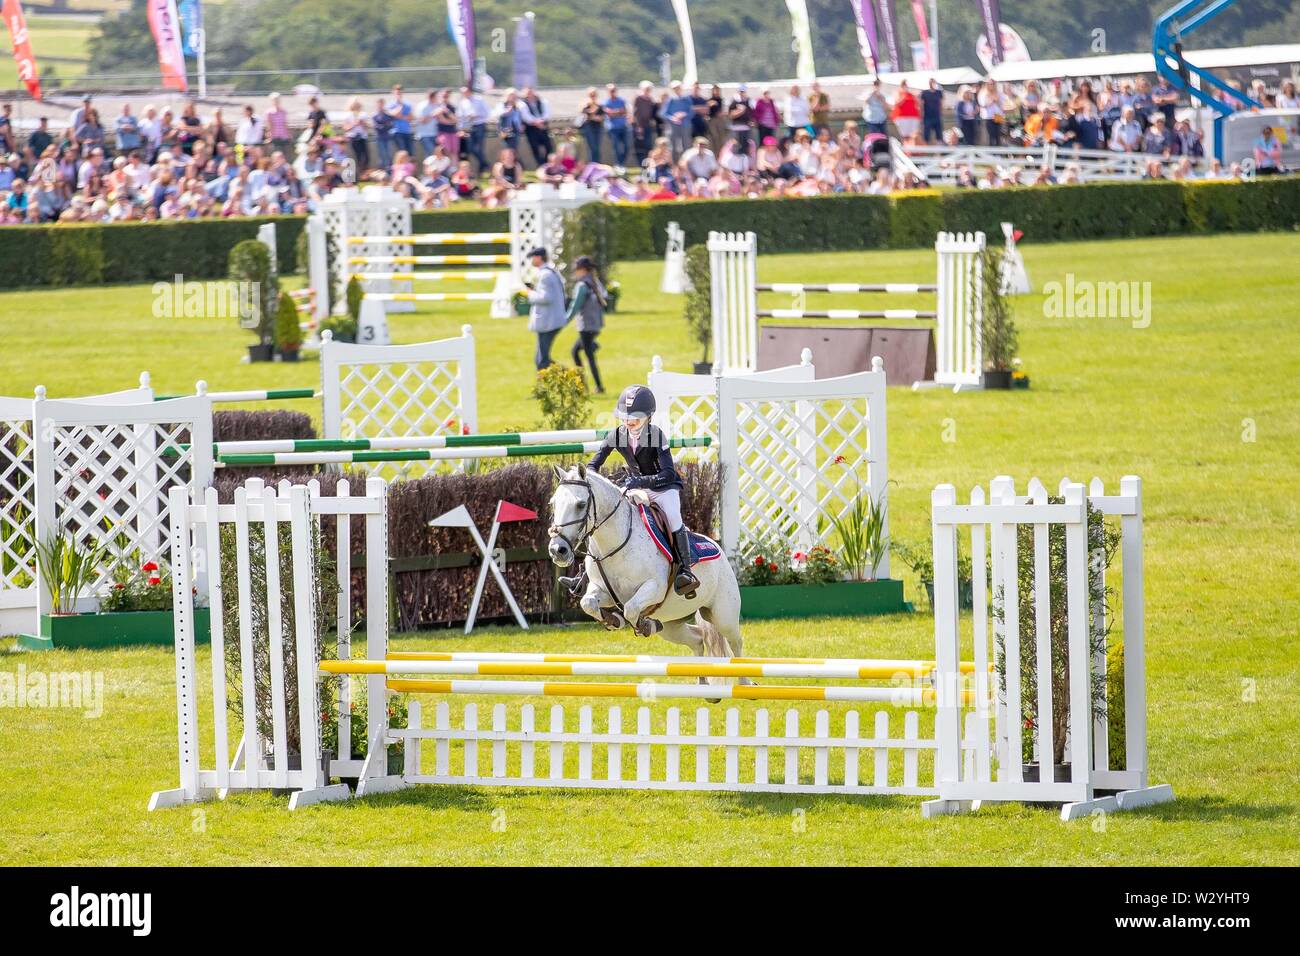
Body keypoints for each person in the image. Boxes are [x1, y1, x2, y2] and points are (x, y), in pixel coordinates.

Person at [585, 386, 699, 597]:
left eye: (635, 417)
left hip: (663, 488)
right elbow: (593, 465)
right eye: (625, 417)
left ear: (648, 416)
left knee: (673, 517)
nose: (629, 421)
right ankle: (586, 575)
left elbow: (667, 473)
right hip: (635, 487)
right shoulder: (616, 435)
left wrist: (639, 480)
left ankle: (686, 570)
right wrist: (593, 481)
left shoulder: (656, 435)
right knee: (604, 516)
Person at [566, 256, 606, 394]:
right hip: (596, 324)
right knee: (580, 351)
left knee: (581, 353)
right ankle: (591, 386)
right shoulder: (594, 281)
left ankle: (585, 386)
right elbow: (604, 296)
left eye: (576, 269)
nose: (575, 272)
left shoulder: (582, 285)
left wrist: (565, 319)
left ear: (582, 269)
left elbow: (575, 305)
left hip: (586, 326)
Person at [525, 247, 567, 369]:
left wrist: (529, 293)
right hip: (550, 321)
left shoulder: (545, 275)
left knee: (541, 361)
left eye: (533, 257)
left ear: (538, 258)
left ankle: (570, 376)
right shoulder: (550, 272)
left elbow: (546, 298)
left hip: (548, 322)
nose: (531, 260)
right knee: (541, 359)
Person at [921, 79, 944, 144]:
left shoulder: (938, 92)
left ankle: (938, 152)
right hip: (927, 116)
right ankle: (925, 150)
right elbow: (921, 104)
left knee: (939, 134)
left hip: (937, 116)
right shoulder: (924, 93)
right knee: (926, 135)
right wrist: (921, 115)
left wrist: (941, 113)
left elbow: (941, 103)